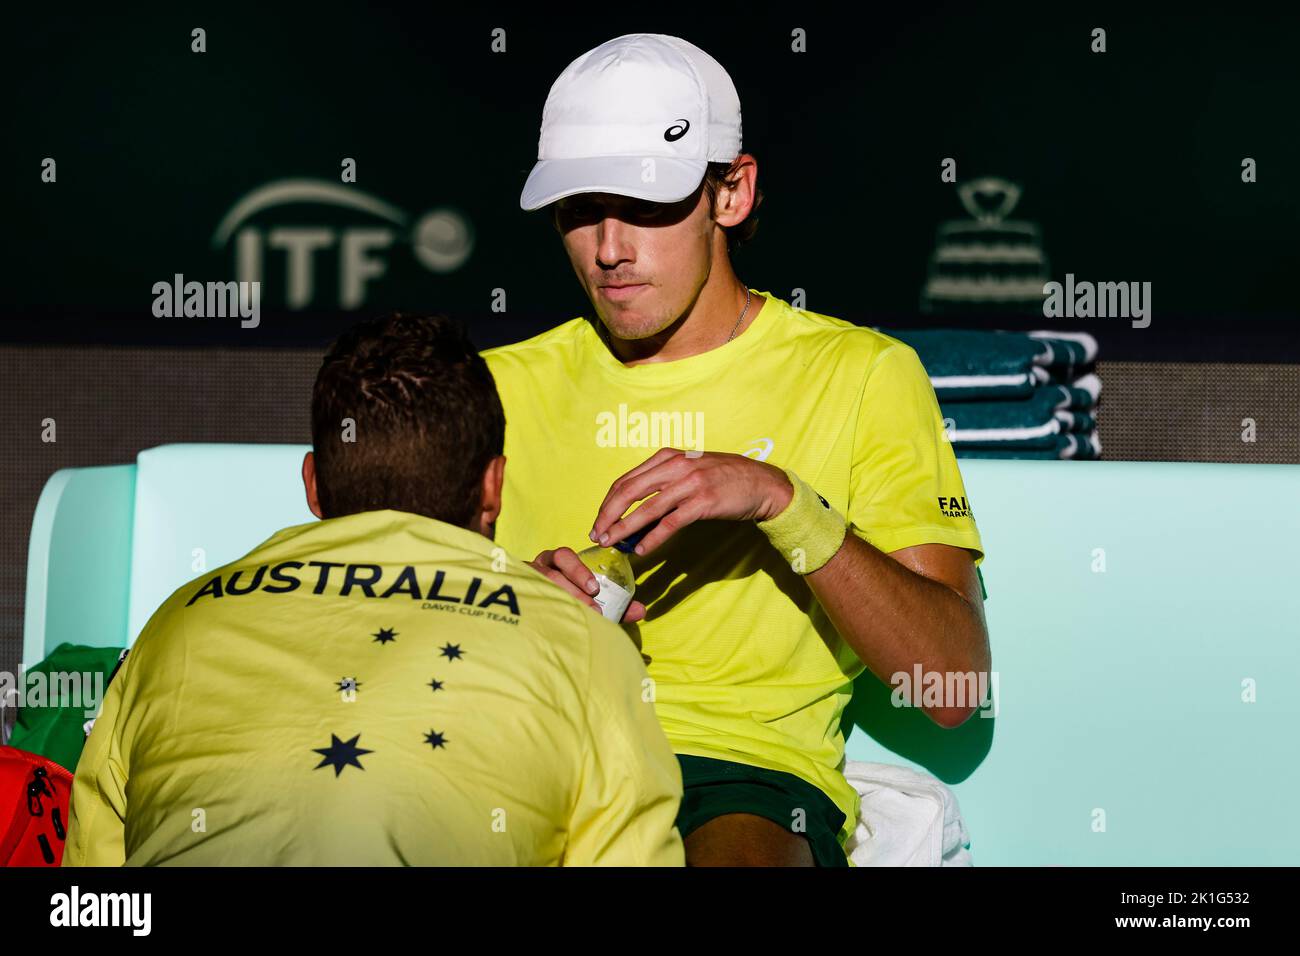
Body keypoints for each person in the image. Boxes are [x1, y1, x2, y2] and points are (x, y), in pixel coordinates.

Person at [482, 34, 991, 867]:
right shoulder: (495, 386)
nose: (609, 248)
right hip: (516, 749)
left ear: (732, 192)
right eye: (580, 209)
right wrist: (505, 609)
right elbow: (380, 636)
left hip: (738, 773)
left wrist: (781, 502)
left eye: (645, 204)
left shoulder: (863, 373)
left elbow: (954, 690)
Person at [63, 313, 685, 866]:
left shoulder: (174, 624)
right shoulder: (586, 648)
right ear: (494, 487)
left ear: (312, 483)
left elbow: (90, 888)